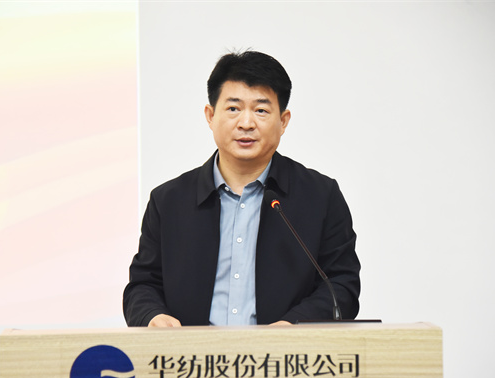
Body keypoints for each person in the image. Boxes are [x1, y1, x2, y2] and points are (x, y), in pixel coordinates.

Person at [123, 50, 360, 327]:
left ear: (283, 121)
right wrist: (153, 316)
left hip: (284, 352)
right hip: (191, 353)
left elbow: (341, 286)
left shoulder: (320, 196)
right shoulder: (169, 201)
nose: (246, 123)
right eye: (233, 109)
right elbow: (143, 285)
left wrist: (292, 327)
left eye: (261, 110)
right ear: (210, 115)